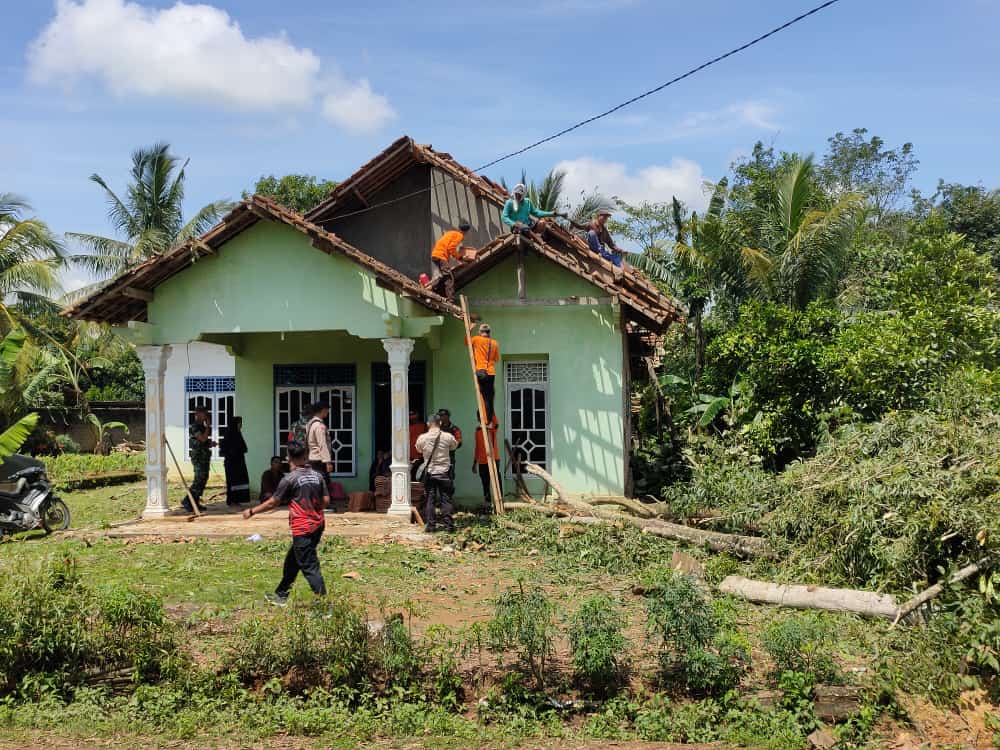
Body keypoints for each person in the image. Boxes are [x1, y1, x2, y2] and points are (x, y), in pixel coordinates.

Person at [244, 440, 328, 606]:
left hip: (302, 528)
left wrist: (252, 511)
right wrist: (313, 507)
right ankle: (281, 595)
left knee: (309, 566)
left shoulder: (290, 479)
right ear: (306, 456)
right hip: (318, 524)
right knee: (293, 561)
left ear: (288, 457)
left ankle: (325, 604)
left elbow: (273, 502)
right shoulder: (318, 476)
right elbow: (326, 500)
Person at [415, 414, 458, 533]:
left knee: (430, 499)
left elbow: (418, 449)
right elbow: (454, 446)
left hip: (430, 473)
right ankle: (449, 527)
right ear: (440, 423)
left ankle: (431, 526)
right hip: (444, 473)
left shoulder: (422, 438)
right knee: (446, 500)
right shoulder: (448, 436)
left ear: (428, 424)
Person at [465, 321, 500, 422]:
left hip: (481, 371)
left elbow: (466, 341)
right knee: (489, 397)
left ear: (480, 332)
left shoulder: (476, 339)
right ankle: (488, 420)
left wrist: (470, 329)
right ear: (489, 332)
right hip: (491, 372)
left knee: (483, 397)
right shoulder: (494, 343)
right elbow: (496, 359)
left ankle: (484, 419)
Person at [186, 407, 214, 513]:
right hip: (198, 457)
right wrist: (208, 427)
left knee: (203, 478)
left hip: (204, 456)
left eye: (206, 414)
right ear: (197, 414)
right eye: (204, 414)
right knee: (198, 479)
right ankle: (188, 501)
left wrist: (210, 443)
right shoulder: (194, 426)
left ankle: (195, 502)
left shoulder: (202, 426)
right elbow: (202, 438)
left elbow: (204, 441)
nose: (206, 416)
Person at [472, 414, 501, 513]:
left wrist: (489, 409)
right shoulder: (478, 431)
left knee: (497, 483)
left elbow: (496, 422)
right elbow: (477, 447)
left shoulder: (492, 429)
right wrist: (475, 462)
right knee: (485, 484)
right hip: (482, 462)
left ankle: (499, 505)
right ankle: (488, 504)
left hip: (494, 460)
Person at [220, 416, 250, 506]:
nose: (241, 425)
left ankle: (237, 499)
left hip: (239, 462)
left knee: (239, 481)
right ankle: (231, 500)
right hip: (231, 463)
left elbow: (244, 448)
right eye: (239, 423)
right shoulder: (229, 434)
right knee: (232, 481)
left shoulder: (238, 434)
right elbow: (224, 449)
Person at [305, 401, 332, 479]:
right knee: (323, 485)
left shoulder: (310, 424)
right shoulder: (319, 425)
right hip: (319, 460)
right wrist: (328, 462)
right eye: (327, 410)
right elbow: (322, 444)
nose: (328, 412)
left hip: (311, 458)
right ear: (323, 410)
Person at [436, 408, 462, 480]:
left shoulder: (454, 429)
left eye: (442, 416)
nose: (440, 418)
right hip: (437, 459)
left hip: (449, 459)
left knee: (448, 480)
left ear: (447, 416)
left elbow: (459, 442)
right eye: (439, 416)